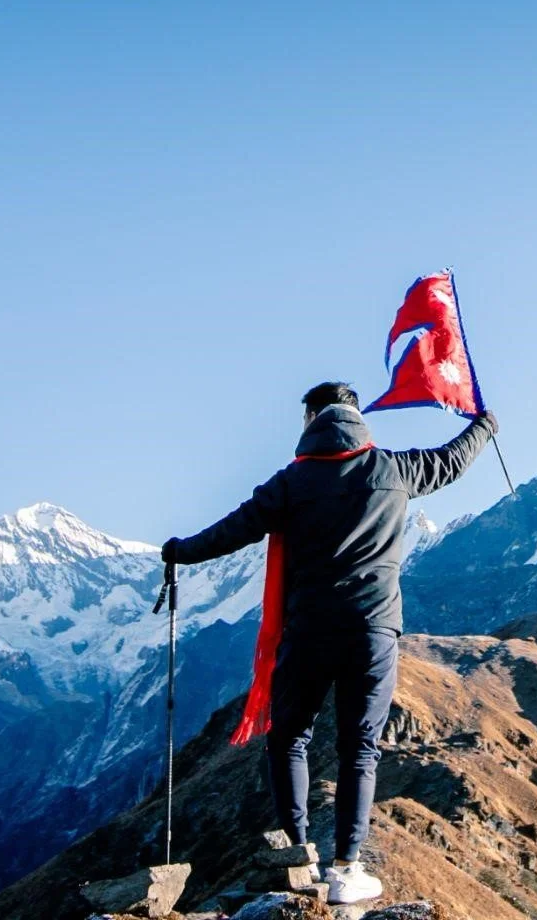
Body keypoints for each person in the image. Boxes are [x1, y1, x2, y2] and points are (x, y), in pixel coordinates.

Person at [161, 381, 495, 906]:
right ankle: (347, 868)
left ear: (312, 418)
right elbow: (451, 461)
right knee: (359, 748)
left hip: (309, 630)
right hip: (373, 630)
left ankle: (298, 854)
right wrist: (485, 426)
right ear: (357, 417)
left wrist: (179, 552)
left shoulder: (292, 482)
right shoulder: (393, 469)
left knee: (289, 738)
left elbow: (233, 530)